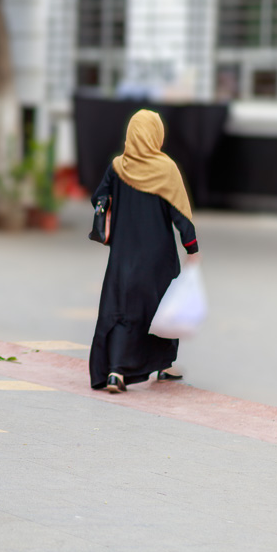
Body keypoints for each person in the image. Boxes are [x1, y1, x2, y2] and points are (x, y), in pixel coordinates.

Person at [89, 109, 199, 393]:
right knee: (161, 311)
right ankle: (163, 365)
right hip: (158, 258)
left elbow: (98, 197)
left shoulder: (118, 166)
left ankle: (115, 372)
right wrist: (192, 247)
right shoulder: (166, 169)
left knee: (122, 311)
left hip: (123, 257)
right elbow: (180, 214)